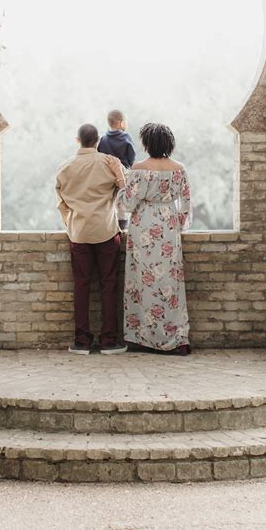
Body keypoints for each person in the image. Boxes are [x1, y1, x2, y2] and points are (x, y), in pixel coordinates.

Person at [105, 123, 192, 356]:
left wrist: (121, 180)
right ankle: (176, 338)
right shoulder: (179, 169)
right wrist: (177, 226)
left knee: (143, 282)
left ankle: (144, 337)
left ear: (146, 143)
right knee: (170, 284)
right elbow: (185, 205)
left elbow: (126, 203)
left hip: (144, 226)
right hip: (169, 227)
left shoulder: (139, 168)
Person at [56, 123, 127, 356]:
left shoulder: (65, 167)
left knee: (81, 285)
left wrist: (72, 224)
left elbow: (62, 203)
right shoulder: (109, 162)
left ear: (78, 140)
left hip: (79, 233)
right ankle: (108, 341)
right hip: (106, 231)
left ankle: (82, 341)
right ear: (97, 140)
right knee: (109, 285)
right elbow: (125, 193)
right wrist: (119, 174)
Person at [98, 109, 137, 230]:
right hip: (123, 172)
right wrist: (129, 166)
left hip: (107, 173)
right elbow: (132, 155)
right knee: (122, 196)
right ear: (121, 123)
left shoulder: (103, 139)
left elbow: (99, 155)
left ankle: (109, 222)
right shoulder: (126, 137)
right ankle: (122, 222)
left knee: (110, 198)